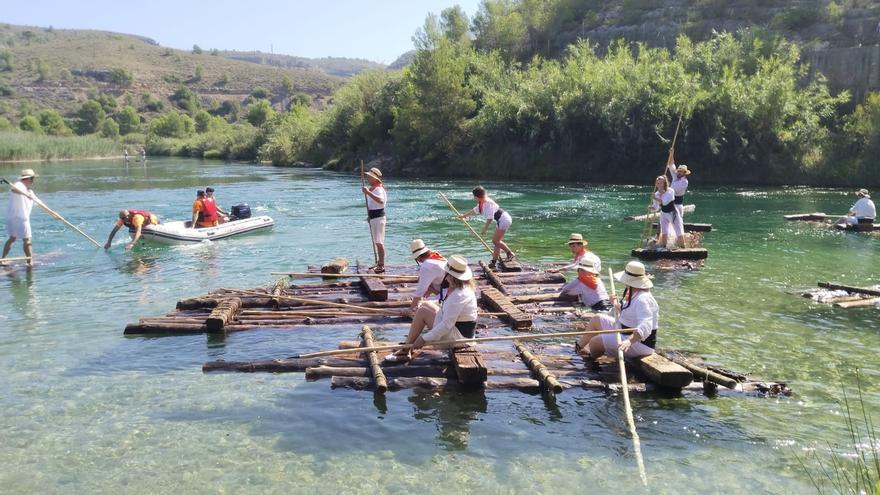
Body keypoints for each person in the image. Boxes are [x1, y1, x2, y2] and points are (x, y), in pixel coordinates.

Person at [385, 255, 479, 362]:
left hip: (459, 339)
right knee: (425, 306)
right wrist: (426, 303)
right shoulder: (461, 288)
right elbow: (446, 305)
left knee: (423, 311)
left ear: (451, 276)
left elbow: (447, 324)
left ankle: (405, 350)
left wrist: (424, 338)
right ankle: (407, 347)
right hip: (459, 332)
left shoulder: (459, 294)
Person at [576, 261, 658, 359]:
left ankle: (589, 362)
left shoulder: (643, 299)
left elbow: (646, 325)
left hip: (639, 343)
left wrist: (629, 341)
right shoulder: (633, 292)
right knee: (596, 319)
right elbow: (629, 315)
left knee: (595, 341)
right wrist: (615, 305)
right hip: (623, 331)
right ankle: (578, 349)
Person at [458, 186, 514, 269]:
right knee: (497, 243)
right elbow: (475, 210)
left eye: (474, 197)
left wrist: (485, 229)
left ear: (477, 197)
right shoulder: (482, 202)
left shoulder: (487, 203)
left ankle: (510, 253)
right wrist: (464, 216)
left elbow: (490, 218)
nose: (474, 198)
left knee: (495, 241)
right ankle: (494, 262)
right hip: (502, 219)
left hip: (503, 219)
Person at [2, 169, 38, 266]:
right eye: (33, 178)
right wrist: (25, 194)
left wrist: (54, 214)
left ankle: (3, 259)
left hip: (12, 218)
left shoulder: (29, 191)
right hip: (21, 219)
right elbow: (14, 189)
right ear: (29, 179)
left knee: (12, 238)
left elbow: (38, 202)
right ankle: (30, 262)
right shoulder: (19, 184)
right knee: (27, 240)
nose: (33, 180)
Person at [409, 239, 447, 313]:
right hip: (447, 287)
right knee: (423, 280)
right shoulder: (435, 255)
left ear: (418, 258)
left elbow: (420, 291)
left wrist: (411, 308)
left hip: (449, 294)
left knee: (422, 307)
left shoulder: (427, 266)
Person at [362, 167, 386, 273]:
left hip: (379, 218)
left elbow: (380, 201)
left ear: (374, 178)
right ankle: (378, 263)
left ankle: (381, 265)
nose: (367, 178)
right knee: (377, 242)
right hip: (374, 217)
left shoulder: (378, 189)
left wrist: (368, 193)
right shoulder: (374, 189)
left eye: (369, 177)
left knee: (379, 242)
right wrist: (369, 216)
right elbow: (372, 205)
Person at [650, 175, 683, 249]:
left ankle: (682, 247)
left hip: (672, 213)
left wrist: (655, 198)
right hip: (663, 213)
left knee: (678, 231)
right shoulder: (656, 194)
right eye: (658, 183)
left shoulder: (670, 191)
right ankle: (663, 247)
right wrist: (651, 208)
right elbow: (656, 207)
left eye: (661, 183)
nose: (659, 185)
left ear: (665, 183)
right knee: (664, 231)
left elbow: (665, 202)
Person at [666, 148, 691, 220]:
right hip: (671, 203)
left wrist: (665, 189)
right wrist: (671, 154)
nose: (679, 172)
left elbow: (674, 191)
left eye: (681, 172)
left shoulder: (685, 182)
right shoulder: (675, 176)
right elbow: (671, 164)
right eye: (679, 171)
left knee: (677, 221)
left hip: (677, 205)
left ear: (684, 173)